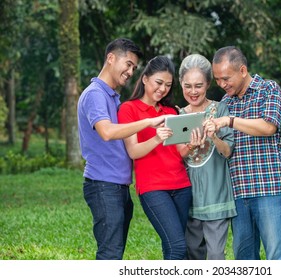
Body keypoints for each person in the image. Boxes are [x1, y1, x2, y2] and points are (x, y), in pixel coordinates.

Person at [77, 38, 166, 260]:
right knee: (110, 254)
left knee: (115, 253)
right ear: (110, 58)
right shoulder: (95, 94)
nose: (130, 71)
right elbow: (107, 132)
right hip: (104, 185)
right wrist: (147, 122)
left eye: (134, 67)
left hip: (117, 186)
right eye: (127, 64)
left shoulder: (112, 96)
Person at [212, 46, 281, 260]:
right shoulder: (225, 103)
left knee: (278, 256)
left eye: (226, 78)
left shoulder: (269, 90)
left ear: (243, 70)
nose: (222, 84)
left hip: (269, 188)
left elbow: (268, 127)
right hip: (238, 192)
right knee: (244, 260)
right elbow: (226, 150)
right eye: (217, 80)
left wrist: (229, 121)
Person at [117, 56, 192, 260]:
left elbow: (180, 151)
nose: (163, 89)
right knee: (178, 247)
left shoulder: (171, 111)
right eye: (159, 83)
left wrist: (192, 144)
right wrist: (158, 137)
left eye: (168, 85)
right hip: (153, 188)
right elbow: (133, 151)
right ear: (145, 79)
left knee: (172, 247)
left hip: (182, 186)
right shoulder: (128, 109)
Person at [177, 54, 237, 260]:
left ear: (208, 84)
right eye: (188, 86)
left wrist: (213, 136)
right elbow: (175, 157)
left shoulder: (220, 109)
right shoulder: (177, 116)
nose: (193, 91)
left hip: (216, 195)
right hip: (188, 197)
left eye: (198, 85)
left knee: (216, 255)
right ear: (181, 85)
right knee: (193, 255)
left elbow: (227, 151)